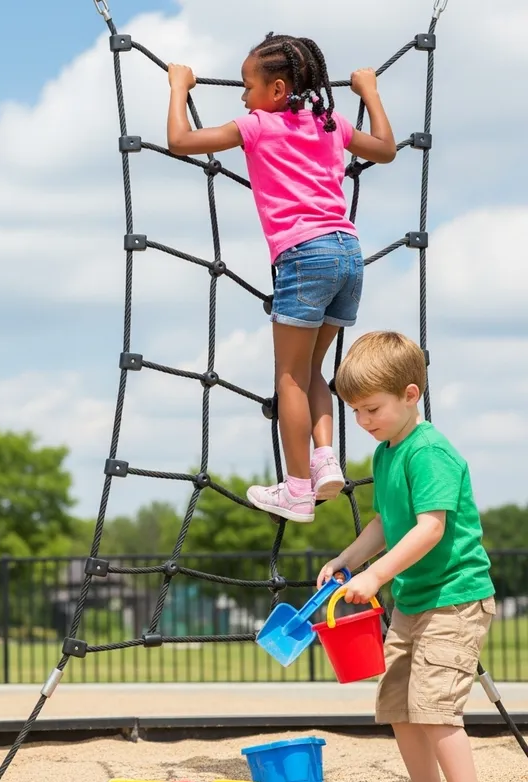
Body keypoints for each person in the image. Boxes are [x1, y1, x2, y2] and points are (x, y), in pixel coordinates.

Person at [165, 33, 396, 523]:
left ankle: (296, 490)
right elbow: (385, 149)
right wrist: (369, 93)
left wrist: (179, 88)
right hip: (348, 254)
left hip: (303, 256)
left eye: (247, 86)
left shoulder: (257, 125)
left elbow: (180, 142)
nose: (243, 96)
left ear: (274, 90)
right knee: (313, 370)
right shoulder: (329, 124)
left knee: (288, 376)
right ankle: (325, 459)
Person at [316, 330, 496, 782]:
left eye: (371, 409)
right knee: (399, 707)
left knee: (435, 709)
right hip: (412, 603)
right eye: (354, 410)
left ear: (410, 394)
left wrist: (375, 576)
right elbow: (384, 520)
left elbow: (430, 528)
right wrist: (348, 559)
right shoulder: (385, 454)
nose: (361, 420)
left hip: (454, 600)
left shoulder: (429, 452)